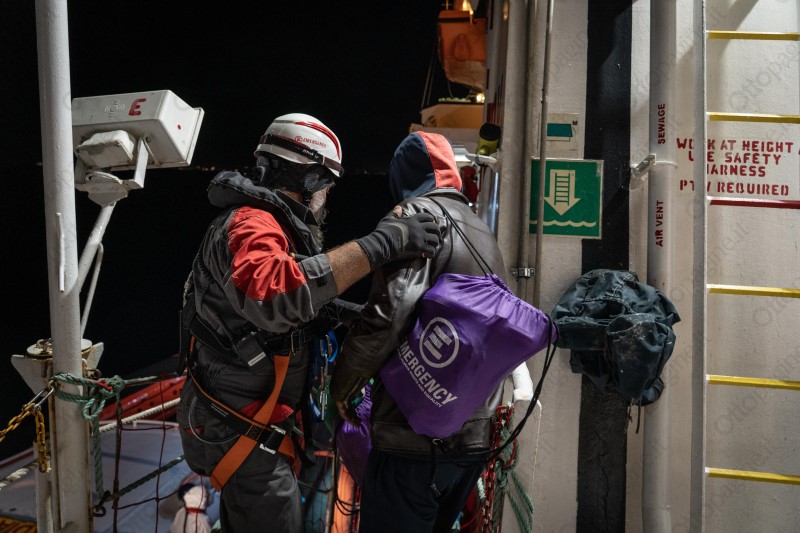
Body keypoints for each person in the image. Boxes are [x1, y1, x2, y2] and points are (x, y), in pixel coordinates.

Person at [175, 113, 442, 533]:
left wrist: (351, 315)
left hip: (250, 419)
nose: (327, 196)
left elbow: (284, 298)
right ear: (312, 179)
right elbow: (275, 296)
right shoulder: (251, 224)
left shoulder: (265, 224)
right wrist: (383, 244)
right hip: (242, 424)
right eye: (327, 185)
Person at [330, 131, 507, 533]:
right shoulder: (480, 229)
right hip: (470, 440)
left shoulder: (413, 215)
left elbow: (388, 314)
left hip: (410, 439)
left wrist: (343, 386)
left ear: (402, 177)